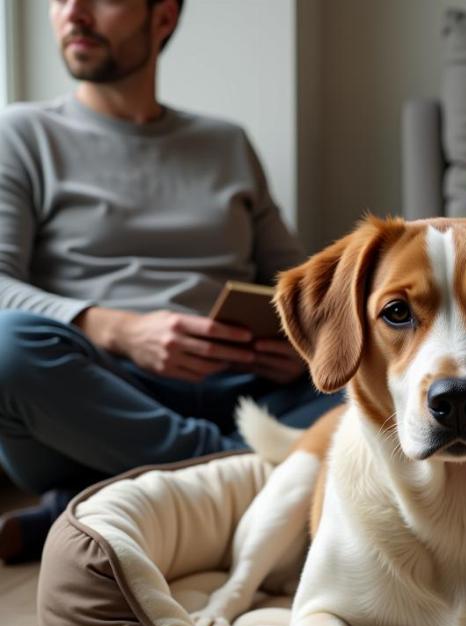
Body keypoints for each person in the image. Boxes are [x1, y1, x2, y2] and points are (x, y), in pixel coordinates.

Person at [0, 0, 337, 564]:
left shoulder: (226, 143)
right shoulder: (23, 133)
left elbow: (301, 289)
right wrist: (117, 329)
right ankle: (235, 474)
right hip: (106, 403)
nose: (72, 14)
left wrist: (301, 349)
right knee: (8, 348)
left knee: (392, 375)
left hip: (245, 392)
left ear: (163, 18)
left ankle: (98, 508)